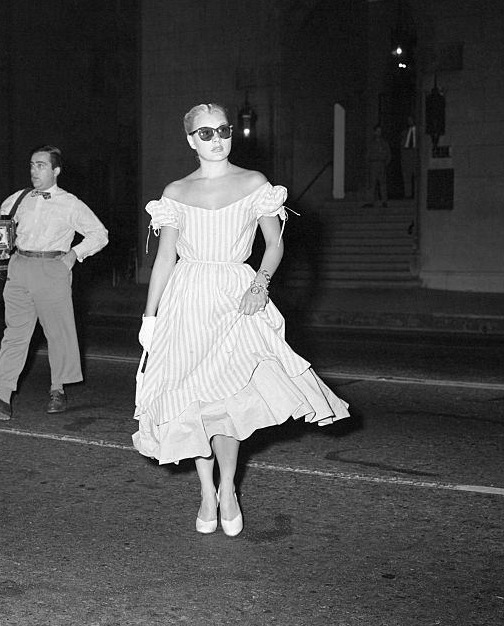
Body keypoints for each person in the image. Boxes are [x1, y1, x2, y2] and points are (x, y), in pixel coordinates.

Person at [133, 102, 349, 537]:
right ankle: (205, 492)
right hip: (187, 300)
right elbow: (164, 259)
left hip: (238, 297)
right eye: (206, 133)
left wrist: (260, 285)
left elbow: (274, 245)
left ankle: (228, 489)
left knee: (227, 403)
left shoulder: (255, 184)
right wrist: (149, 317)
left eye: (223, 130)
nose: (217, 139)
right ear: (191, 140)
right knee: (192, 401)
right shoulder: (175, 192)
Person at [0, 145, 108, 418]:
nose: (34, 170)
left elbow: (99, 234)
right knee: (15, 334)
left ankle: (58, 390)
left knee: (57, 333)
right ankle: (2, 397)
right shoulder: (20, 198)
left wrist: (73, 256)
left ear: (56, 170)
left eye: (41, 165)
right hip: (19, 266)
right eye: (32, 165)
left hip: (52, 268)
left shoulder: (70, 203)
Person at [363, 124, 390, 207]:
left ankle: (384, 201)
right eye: (377, 131)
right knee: (372, 184)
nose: (379, 133)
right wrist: (368, 165)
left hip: (381, 165)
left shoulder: (384, 143)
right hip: (373, 165)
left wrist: (385, 164)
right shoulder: (371, 143)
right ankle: (370, 201)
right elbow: (367, 155)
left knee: (383, 184)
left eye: (380, 131)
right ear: (374, 132)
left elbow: (388, 154)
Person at [400, 115, 417, 199]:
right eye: (408, 120)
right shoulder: (404, 133)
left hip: (414, 159)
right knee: (407, 178)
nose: (410, 122)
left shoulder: (417, 133)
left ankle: (416, 194)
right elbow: (402, 148)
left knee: (416, 178)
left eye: (411, 120)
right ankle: (408, 194)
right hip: (406, 160)